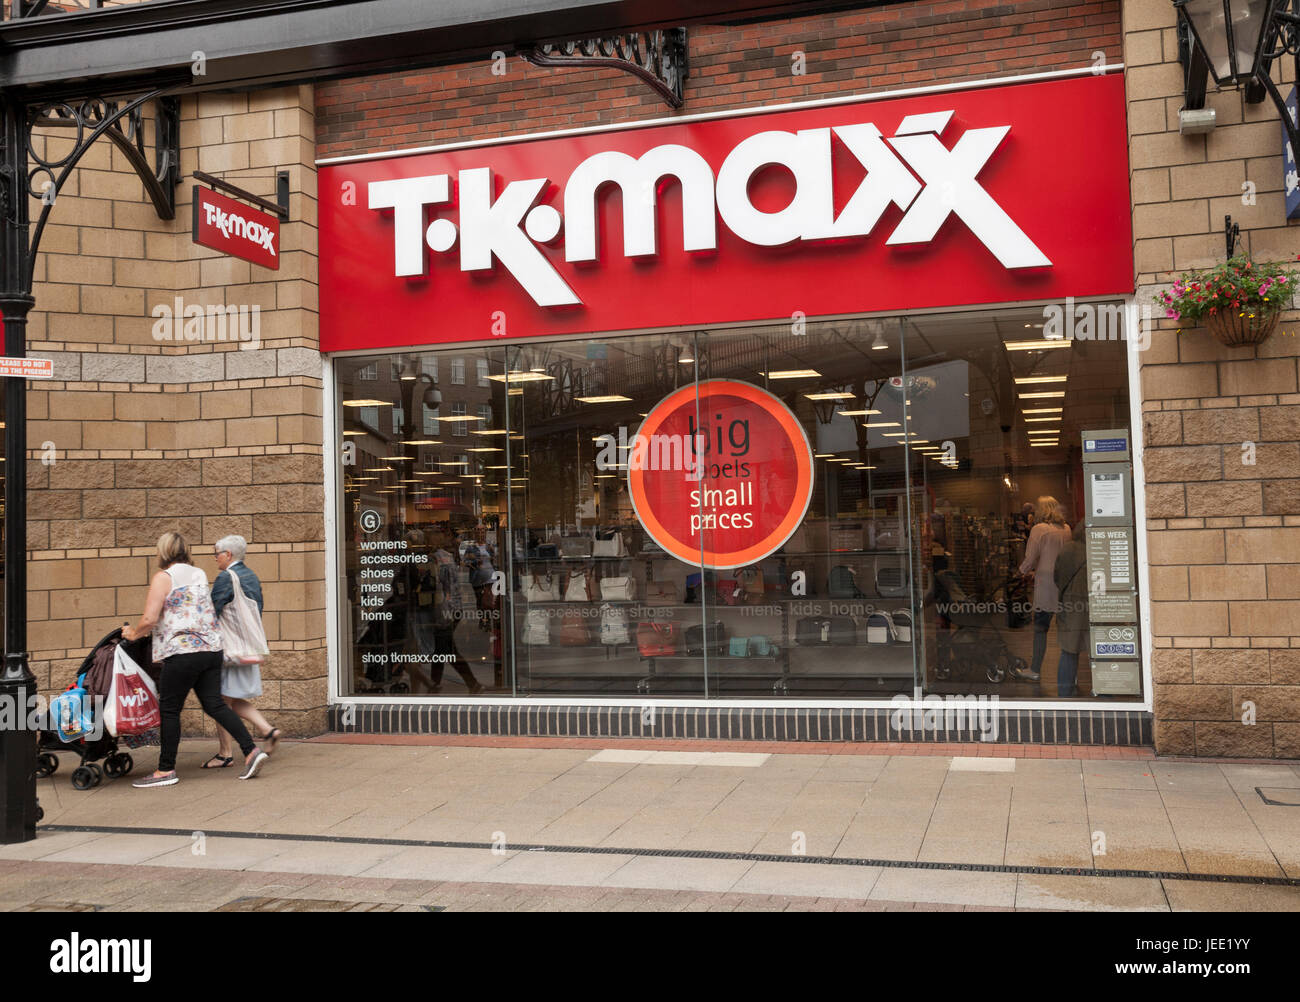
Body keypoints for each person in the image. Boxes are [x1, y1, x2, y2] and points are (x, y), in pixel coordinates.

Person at [123, 531, 268, 786]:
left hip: (182, 652)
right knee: (215, 704)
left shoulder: (163, 578)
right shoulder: (199, 574)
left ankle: (165, 770)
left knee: (169, 710)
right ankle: (251, 750)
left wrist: (132, 634)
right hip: (211, 650)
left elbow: (149, 618)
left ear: (164, 551)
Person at [205, 534, 282, 768]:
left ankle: (225, 753)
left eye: (216, 553)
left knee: (220, 701)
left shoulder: (225, 578)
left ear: (228, 555)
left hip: (231, 650)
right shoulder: (251, 576)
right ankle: (268, 730)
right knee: (232, 698)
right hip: (248, 648)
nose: (215, 558)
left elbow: (211, 613)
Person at [1016, 495, 1072, 683]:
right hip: (1064, 583)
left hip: (1046, 584)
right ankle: (1070, 674)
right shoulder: (1066, 528)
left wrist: (1022, 571)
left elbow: (1031, 557)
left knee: (1040, 628)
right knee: (1066, 630)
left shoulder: (1039, 529)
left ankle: (1035, 669)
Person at [429, 527, 484, 694]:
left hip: (446, 610)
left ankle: (470, 683)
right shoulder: (447, 557)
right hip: (453, 608)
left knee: (445, 650)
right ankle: (436, 684)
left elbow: (442, 587)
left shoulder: (437, 559)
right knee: (442, 649)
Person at [1053, 521, 1088, 698]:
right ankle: (1107, 694)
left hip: (1071, 605)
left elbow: (1057, 577)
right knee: (1100, 652)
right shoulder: (1097, 549)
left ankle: (1064, 695)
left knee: (1068, 651)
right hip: (1095, 604)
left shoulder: (1067, 549)